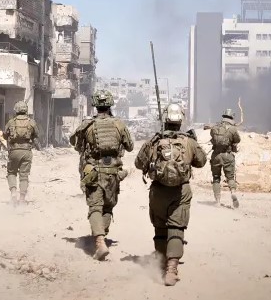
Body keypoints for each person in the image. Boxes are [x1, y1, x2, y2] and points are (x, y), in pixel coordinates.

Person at [135, 103, 206, 286]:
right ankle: (172, 269)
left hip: (158, 191)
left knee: (160, 228)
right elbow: (201, 162)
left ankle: (160, 263)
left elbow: (138, 164)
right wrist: (193, 142)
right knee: (176, 228)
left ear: (165, 120)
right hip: (180, 192)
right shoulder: (188, 142)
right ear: (181, 120)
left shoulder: (154, 142)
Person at [70, 90, 133, 261]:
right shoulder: (119, 124)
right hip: (113, 173)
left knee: (95, 207)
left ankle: (99, 242)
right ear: (110, 104)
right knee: (107, 207)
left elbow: (77, 146)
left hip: (93, 172)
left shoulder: (88, 125)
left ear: (95, 105)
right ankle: (101, 237)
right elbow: (130, 146)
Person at [0, 101, 39, 206]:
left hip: (14, 151)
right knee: (24, 175)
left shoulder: (11, 122)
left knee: (11, 173)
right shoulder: (32, 122)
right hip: (26, 152)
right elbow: (36, 136)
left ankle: (13, 193)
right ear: (26, 110)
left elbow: (5, 136)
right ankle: (22, 199)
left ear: (16, 110)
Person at [209, 108, 241, 208]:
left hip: (216, 156)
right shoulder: (233, 129)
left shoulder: (215, 127)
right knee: (230, 177)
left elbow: (212, 137)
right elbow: (237, 140)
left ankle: (218, 201)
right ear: (232, 117)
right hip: (227, 155)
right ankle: (233, 192)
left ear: (223, 116)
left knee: (216, 178)